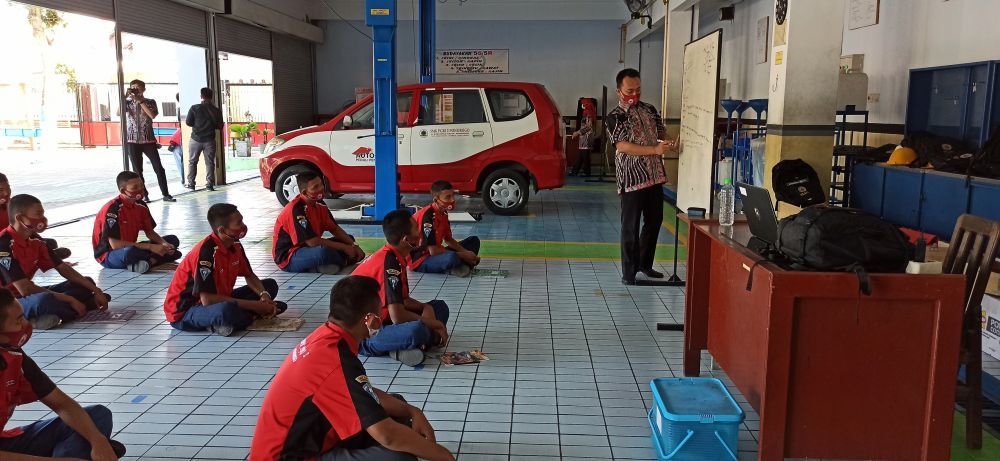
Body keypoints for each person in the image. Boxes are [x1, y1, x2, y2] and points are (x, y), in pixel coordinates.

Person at [249, 276, 456, 461]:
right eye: (378, 314)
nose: (380, 320)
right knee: (398, 457)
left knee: (398, 408)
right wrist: (443, 456)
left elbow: (361, 394)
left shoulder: (327, 336)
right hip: (290, 456)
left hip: (316, 435)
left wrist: (413, 410)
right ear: (368, 318)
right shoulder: (334, 360)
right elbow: (387, 435)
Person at [0, 288, 127, 461]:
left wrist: (99, 442)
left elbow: (62, 404)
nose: (25, 325)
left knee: (97, 416)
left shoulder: (13, 356)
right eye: (18, 320)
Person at [164, 203, 286, 336]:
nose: (243, 226)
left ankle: (238, 318)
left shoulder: (235, 244)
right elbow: (208, 300)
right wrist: (255, 306)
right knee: (226, 310)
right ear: (222, 230)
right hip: (186, 312)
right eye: (239, 223)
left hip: (220, 299)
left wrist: (264, 296)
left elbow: (249, 275)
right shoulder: (206, 252)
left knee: (270, 285)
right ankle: (246, 316)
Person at [606, 68, 677, 285]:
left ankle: (645, 264)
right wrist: (654, 150)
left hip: (654, 175)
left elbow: (661, 132)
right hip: (632, 178)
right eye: (629, 91)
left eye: (638, 90)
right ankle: (629, 272)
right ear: (619, 91)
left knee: (655, 220)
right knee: (630, 225)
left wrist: (669, 142)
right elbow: (622, 145)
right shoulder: (615, 117)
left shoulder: (649, 109)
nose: (634, 95)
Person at [352, 210, 449, 366]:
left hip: (384, 318)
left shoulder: (395, 256)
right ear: (406, 239)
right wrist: (435, 325)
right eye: (416, 229)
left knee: (439, 307)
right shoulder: (389, 263)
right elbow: (397, 316)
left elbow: (401, 300)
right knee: (416, 330)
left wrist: (424, 307)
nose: (420, 232)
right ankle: (388, 346)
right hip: (365, 333)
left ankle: (401, 345)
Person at [0, 194, 110, 330]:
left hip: (27, 296)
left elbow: (63, 267)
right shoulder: (3, 245)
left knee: (86, 283)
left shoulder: (35, 240)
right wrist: (69, 299)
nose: (43, 219)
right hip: (6, 301)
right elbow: (25, 289)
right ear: (20, 218)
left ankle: (52, 313)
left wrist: (96, 290)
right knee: (44, 301)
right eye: (38, 214)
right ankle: (85, 306)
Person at [273, 171, 365, 274]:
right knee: (323, 252)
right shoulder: (296, 210)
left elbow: (334, 228)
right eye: (315, 187)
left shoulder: (320, 204)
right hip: (289, 257)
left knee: (348, 238)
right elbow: (312, 242)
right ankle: (335, 263)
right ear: (304, 192)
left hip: (308, 248)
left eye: (321, 184)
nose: (321, 189)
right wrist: (345, 248)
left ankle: (330, 264)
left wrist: (353, 245)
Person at [93, 171, 182, 273]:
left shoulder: (141, 205)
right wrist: (151, 247)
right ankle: (153, 259)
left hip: (132, 246)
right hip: (110, 254)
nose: (140, 190)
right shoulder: (113, 209)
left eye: (141, 186)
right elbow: (115, 245)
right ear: (123, 190)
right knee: (130, 253)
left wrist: (164, 244)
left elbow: (150, 232)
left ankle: (148, 262)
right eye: (135, 188)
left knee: (172, 240)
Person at [409, 180, 480, 277]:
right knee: (451, 257)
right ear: (436, 200)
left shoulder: (444, 213)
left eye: (452, 195)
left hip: (437, 252)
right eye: (448, 197)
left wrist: (465, 252)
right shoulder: (428, 216)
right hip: (422, 259)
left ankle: (459, 264)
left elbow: (448, 239)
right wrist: (463, 255)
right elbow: (433, 251)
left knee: (473, 241)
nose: (452, 200)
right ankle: (453, 267)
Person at [0, 172, 72, 261]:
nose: (7, 193)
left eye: (8, 188)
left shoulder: (12, 205)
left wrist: (42, 244)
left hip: (17, 240)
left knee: (51, 243)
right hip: (4, 244)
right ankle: (38, 257)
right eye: (1, 190)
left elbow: (28, 228)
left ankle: (42, 256)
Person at [123, 79, 175, 202]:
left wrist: (140, 100)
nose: (135, 89)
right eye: (132, 87)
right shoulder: (128, 103)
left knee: (158, 167)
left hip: (149, 140)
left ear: (143, 89)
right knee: (137, 170)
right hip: (132, 141)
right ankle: (143, 195)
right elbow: (118, 112)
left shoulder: (150, 102)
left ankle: (165, 194)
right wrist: (125, 97)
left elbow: (152, 115)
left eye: (137, 87)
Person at [185, 87, 224, 191]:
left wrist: (198, 125)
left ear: (201, 96)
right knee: (210, 162)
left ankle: (191, 184)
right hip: (209, 140)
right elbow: (220, 126)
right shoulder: (216, 110)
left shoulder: (194, 108)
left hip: (195, 139)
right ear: (211, 97)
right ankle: (209, 184)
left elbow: (188, 122)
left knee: (192, 162)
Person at [570, 110, 596, 176]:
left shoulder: (588, 128)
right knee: (579, 160)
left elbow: (579, 132)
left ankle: (587, 173)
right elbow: (580, 131)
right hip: (582, 146)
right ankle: (574, 172)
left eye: (590, 121)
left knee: (586, 160)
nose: (589, 122)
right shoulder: (585, 127)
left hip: (586, 146)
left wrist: (574, 133)